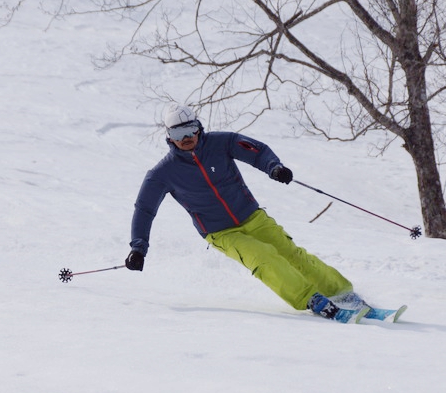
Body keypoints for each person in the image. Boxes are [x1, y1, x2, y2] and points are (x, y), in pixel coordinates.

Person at [124, 105, 365, 323]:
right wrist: (138, 248)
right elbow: (145, 209)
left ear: (199, 128)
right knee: (263, 257)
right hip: (221, 232)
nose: (186, 139)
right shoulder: (163, 173)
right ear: (169, 136)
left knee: (292, 254)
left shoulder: (222, 143)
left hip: (253, 217)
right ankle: (312, 300)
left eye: (189, 130)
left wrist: (274, 168)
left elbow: (257, 152)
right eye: (178, 134)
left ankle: (342, 293)